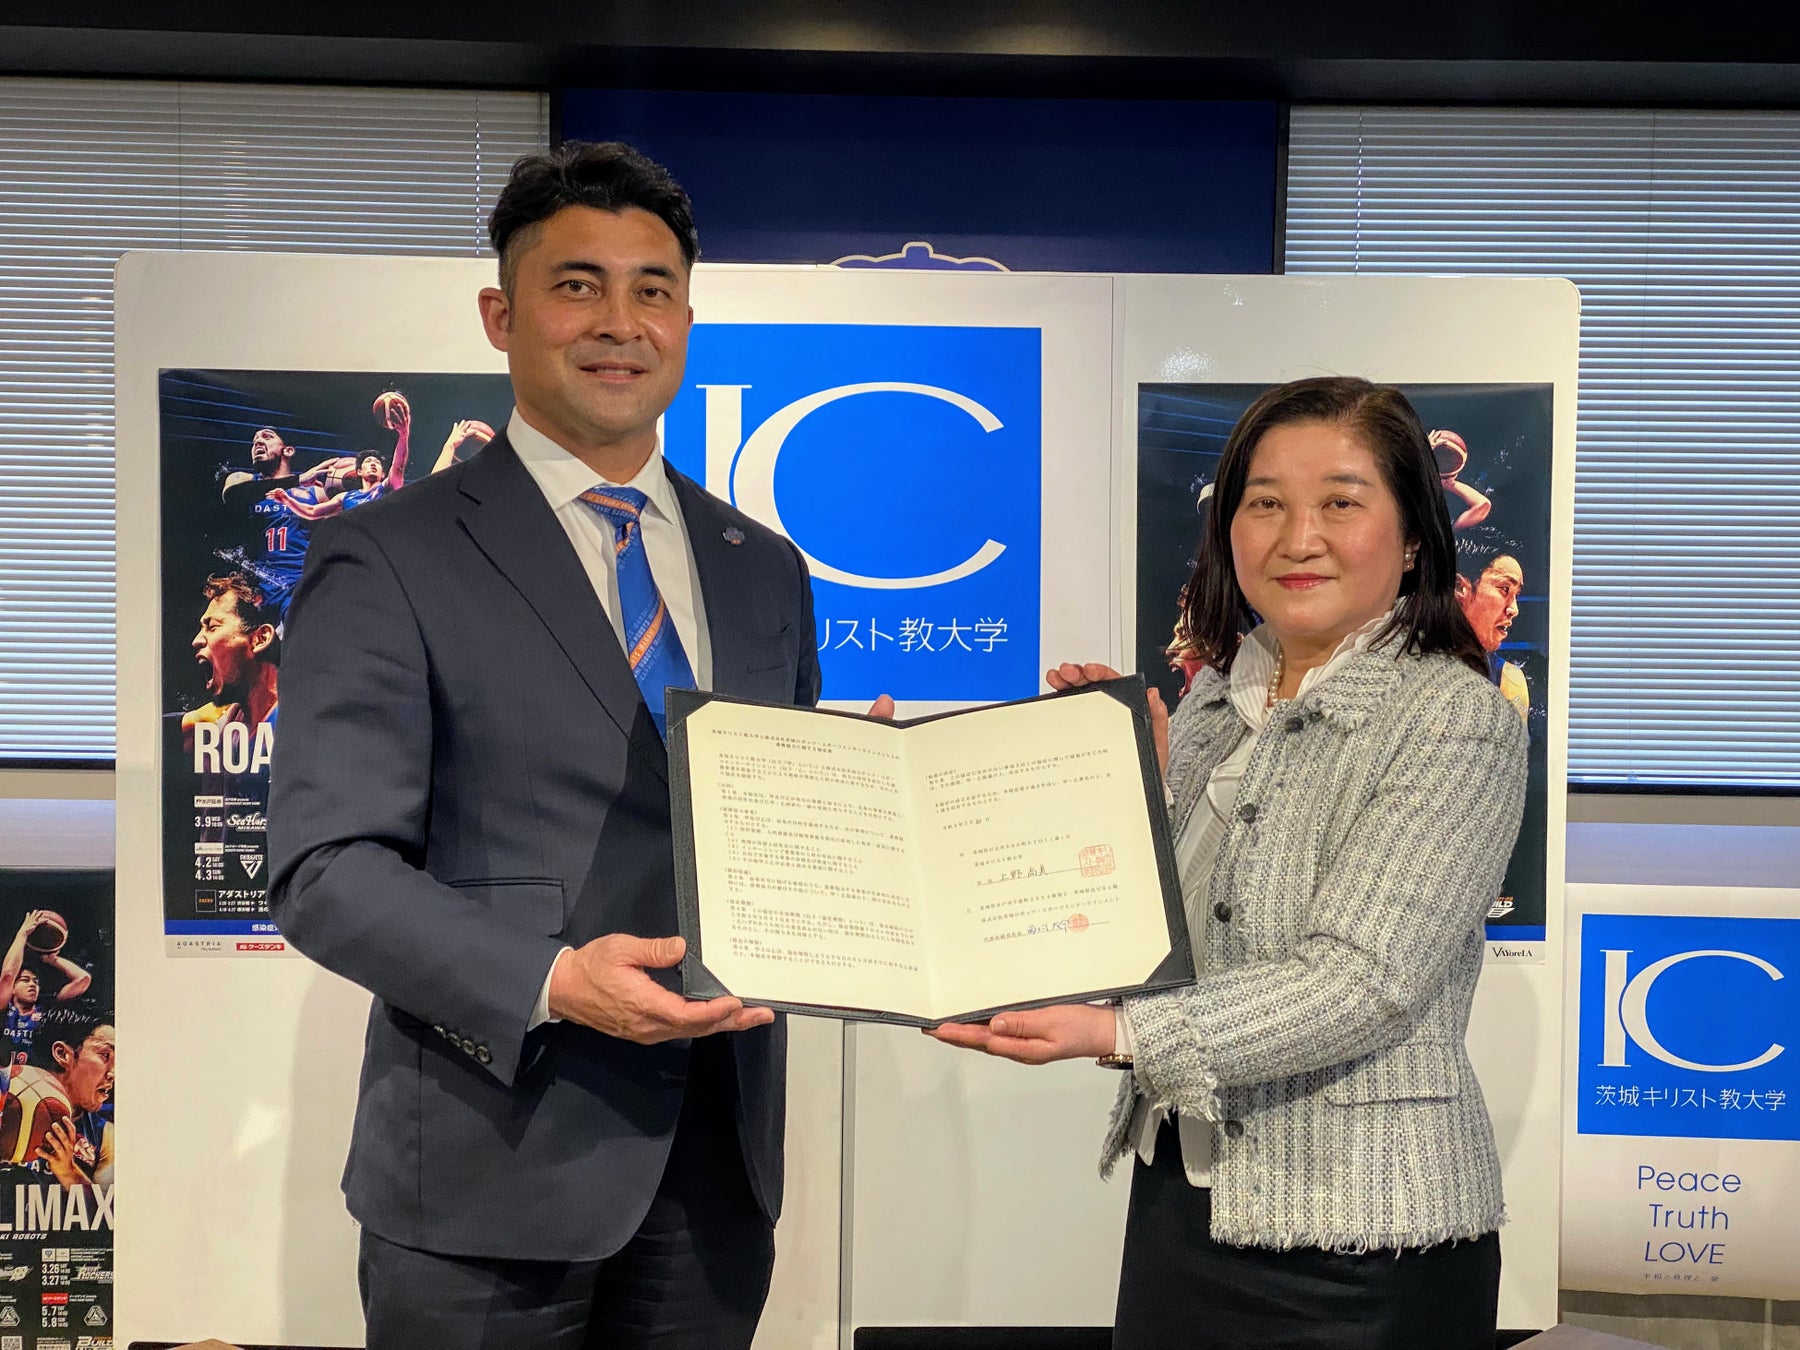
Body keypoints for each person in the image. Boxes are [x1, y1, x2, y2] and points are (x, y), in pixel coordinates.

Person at [268, 141, 839, 1350]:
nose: (620, 322)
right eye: (577, 285)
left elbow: (773, 841)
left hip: (716, 1173)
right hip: (487, 1163)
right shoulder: (390, 554)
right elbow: (327, 871)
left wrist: (866, 810)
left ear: (686, 320)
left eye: (652, 289)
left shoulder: (764, 568)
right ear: (502, 316)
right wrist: (553, 982)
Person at [931, 376, 1528, 1350]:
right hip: (1184, 1204)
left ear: (1415, 535)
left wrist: (1117, 1033)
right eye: (1265, 503)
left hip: (1364, 1243)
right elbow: (1175, 939)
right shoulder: (1216, 701)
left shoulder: (1454, 717)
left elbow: (1364, 982)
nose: (1298, 537)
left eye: (1341, 502)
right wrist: (1113, 788)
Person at [4, 1005, 113, 1192]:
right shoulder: (7, 1095)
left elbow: (110, 1209)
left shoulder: (106, 1136)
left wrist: (69, 1172)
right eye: (105, 1056)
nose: (114, 1073)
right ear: (63, 1054)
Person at [182, 572, 279, 756]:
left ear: (260, 638)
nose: (196, 640)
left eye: (212, 627)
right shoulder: (217, 726)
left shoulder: (299, 723)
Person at [1455, 527, 1530, 721]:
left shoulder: (1508, 681)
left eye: (1516, 595)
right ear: (1460, 587)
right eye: (1505, 589)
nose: (1514, 609)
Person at [0, 910, 93, 1059]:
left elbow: (83, 979)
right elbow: (8, 975)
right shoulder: (3, 1008)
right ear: (12, 989)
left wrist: (53, 960)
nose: (32, 984)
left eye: (36, 982)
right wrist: (22, 934)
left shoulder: (47, 1008)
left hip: (38, 1073)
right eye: (25, 980)